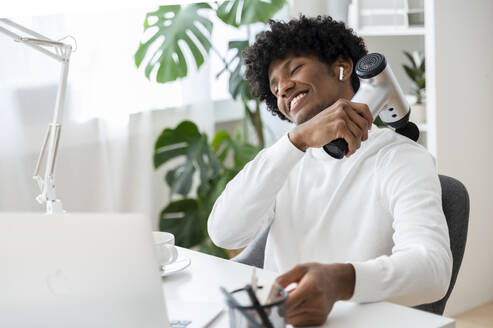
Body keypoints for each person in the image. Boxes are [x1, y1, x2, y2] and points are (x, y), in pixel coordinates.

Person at [208, 16, 452, 326]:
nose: (283, 88)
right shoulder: (285, 159)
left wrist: (342, 281)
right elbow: (224, 232)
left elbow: (433, 270)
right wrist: (296, 141)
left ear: (343, 67)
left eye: (294, 69)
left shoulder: (401, 158)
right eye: (274, 88)